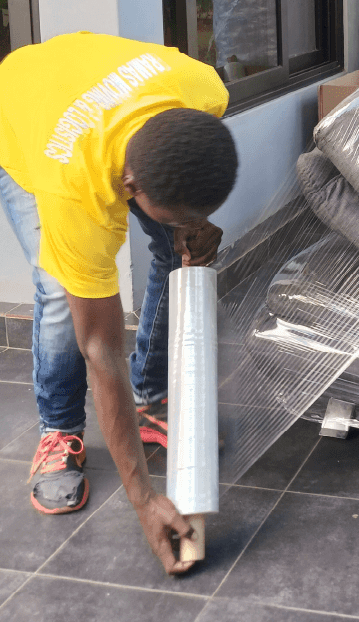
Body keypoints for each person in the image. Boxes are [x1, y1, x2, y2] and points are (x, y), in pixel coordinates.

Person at [0, 32, 238, 574]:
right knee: (57, 291)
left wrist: (191, 223)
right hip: (20, 117)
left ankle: (150, 398)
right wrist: (144, 499)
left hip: (87, 86)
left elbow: (189, 173)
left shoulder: (204, 91)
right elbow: (101, 351)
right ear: (128, 184)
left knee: (172, 246)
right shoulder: (72, 187)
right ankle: (60, 429)